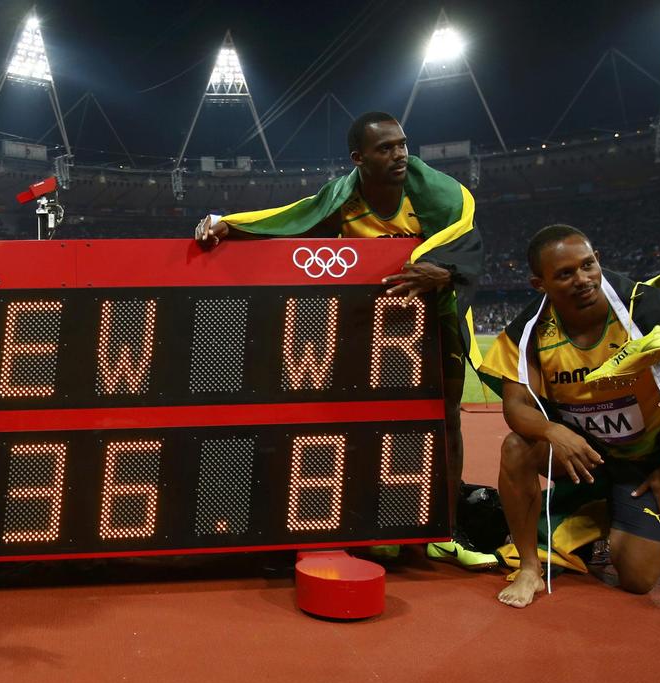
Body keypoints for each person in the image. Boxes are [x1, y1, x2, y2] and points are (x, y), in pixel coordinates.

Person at [194, 111, 492, 568]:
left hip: (437, 318)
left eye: (402, 144)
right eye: (385, 148)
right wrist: (228, 224)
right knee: (364, 419)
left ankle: (443, 532)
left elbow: (467, 241)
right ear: (359, 158)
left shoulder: (444, 194)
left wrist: (446, 273)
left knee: (445, 417)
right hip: (372, 325)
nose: (399, 154)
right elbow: (293, 218)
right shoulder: (342, 199)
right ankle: (369, 523)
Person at [478, 225, 660, 608]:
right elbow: (516, 407)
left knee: (637, 579)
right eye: (565, 274)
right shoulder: (528, 331)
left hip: (647, 462)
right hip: (586, 452)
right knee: (518, 447)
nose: (582, 279)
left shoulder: (651, 310)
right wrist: (552, 431)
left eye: (588, 265)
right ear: (539, 283)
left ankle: (603, 514)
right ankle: (530, 567)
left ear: (598, 260)